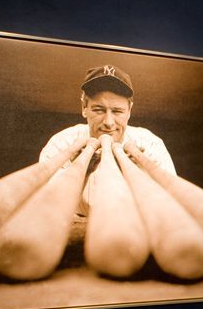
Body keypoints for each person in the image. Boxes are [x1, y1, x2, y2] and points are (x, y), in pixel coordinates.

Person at [38, 64, 177, 239]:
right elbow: (45, 213)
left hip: (135, 237)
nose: (109, 122)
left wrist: (141, 177)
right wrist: (81, 173)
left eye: (117, 111)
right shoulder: (61, 144)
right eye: (99, 110)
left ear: (129, 111)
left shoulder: (151, 145)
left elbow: (170, 213)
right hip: (69, 236)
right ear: (84, 107)